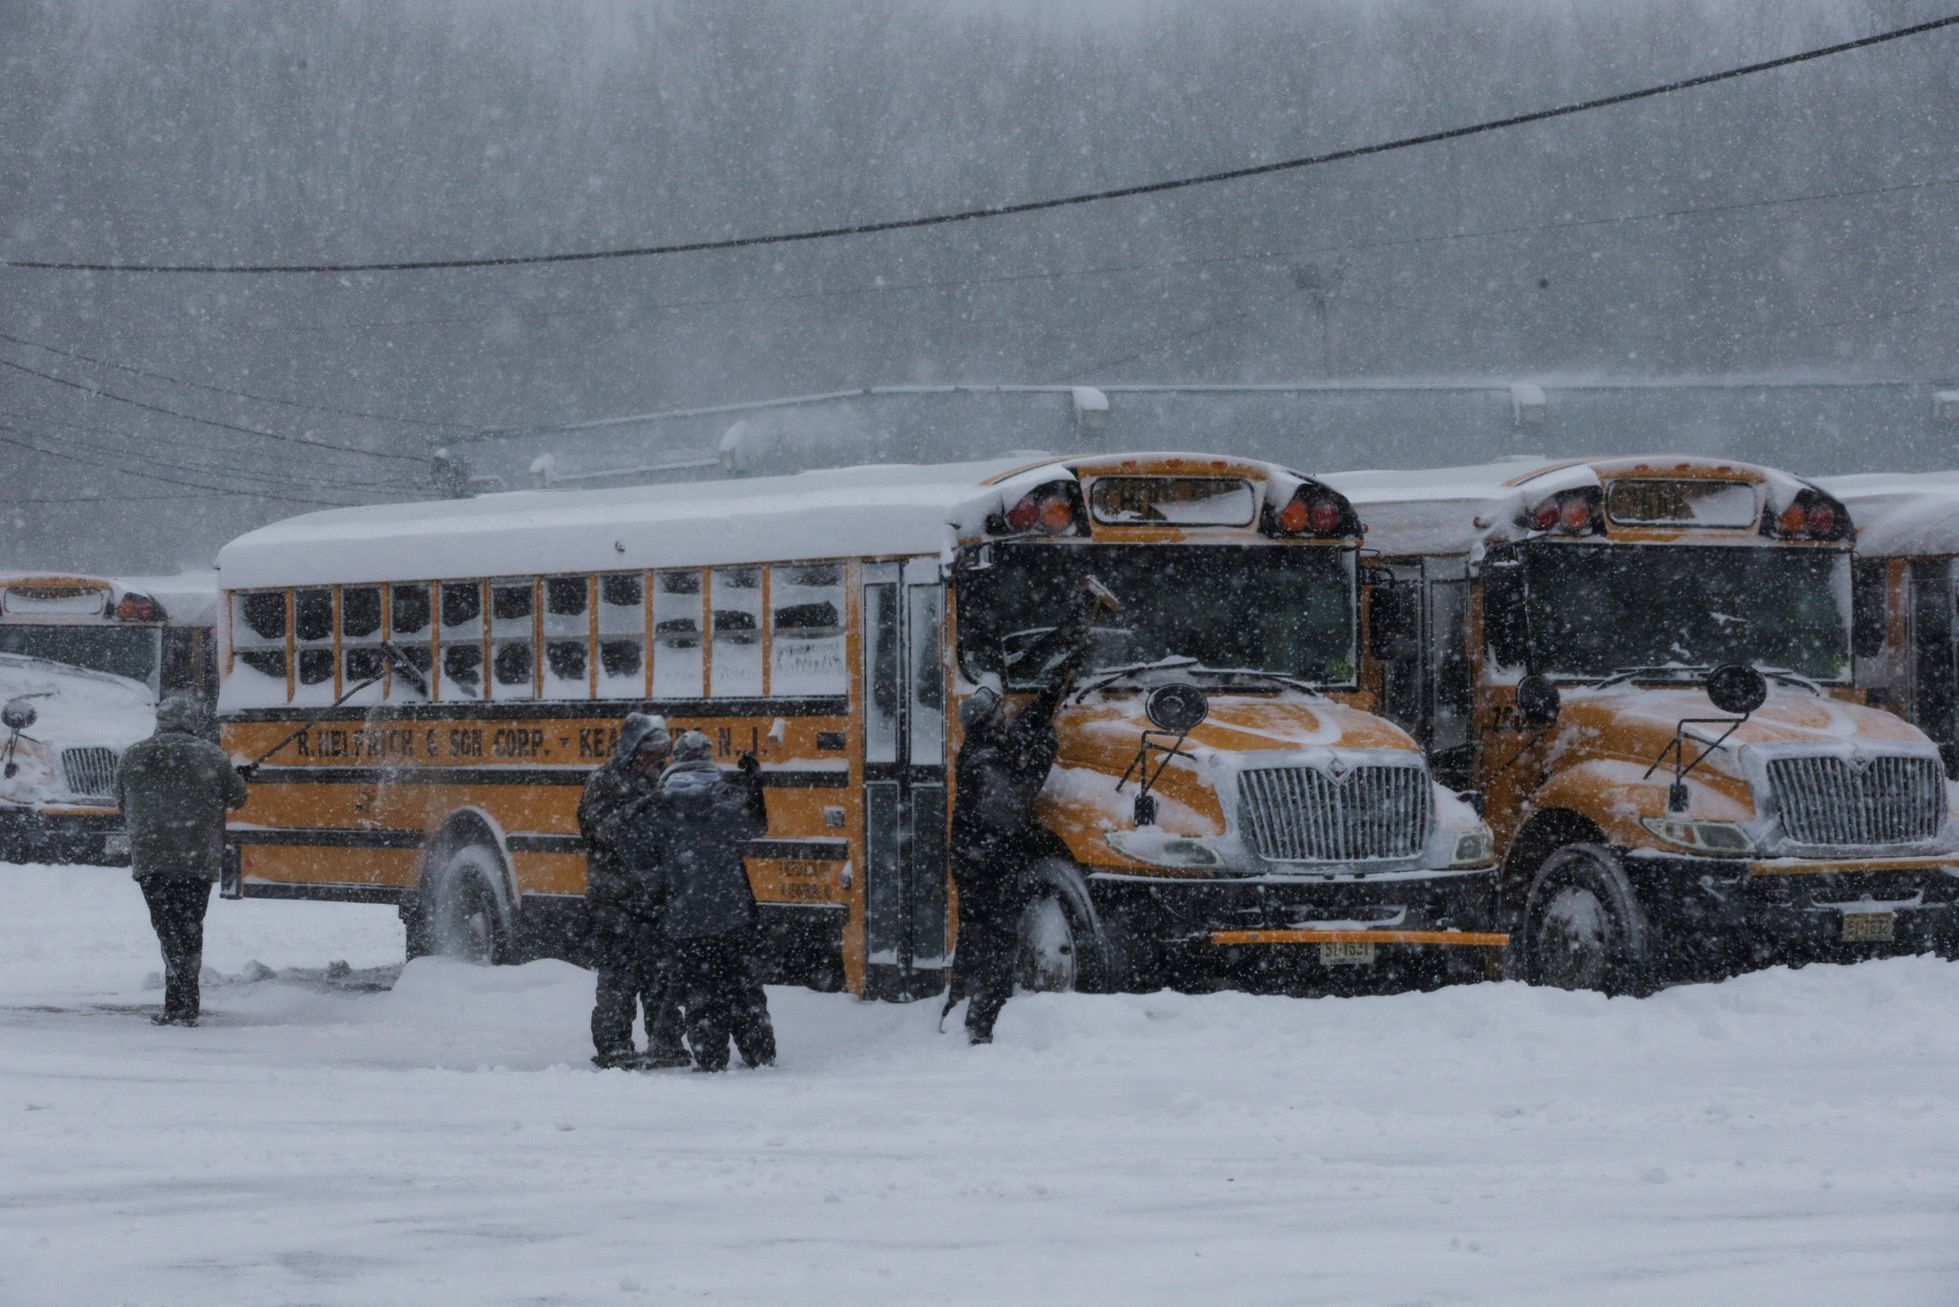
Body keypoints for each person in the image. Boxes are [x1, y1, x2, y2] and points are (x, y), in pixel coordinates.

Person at [624, 730, 773, 1072]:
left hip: (683, 918)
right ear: (707, 756)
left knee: (700, 991)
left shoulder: (659, 803)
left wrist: (661, 888)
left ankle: (709, 1054)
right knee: (743, 986)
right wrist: (754, 786)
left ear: (675, 758)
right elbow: (756, 827)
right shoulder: (725, 796)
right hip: (731, 913)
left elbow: (635, 848)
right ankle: (758, 1052)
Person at [945, 659, 1076, 1045]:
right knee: (994, 940)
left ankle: (959, 1009)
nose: (1006, 718)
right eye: (999, 714)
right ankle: (983, 1022)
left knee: (975, 937)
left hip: (976, 857)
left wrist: (1054, 688)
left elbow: (1024, 729)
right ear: (989, 723)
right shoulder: (986, 761)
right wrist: (1045, 754)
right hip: (986, 863)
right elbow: (1015, 796)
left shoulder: (985, 747)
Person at [113, 695, 249, 1026]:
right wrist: (238, 776)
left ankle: (176, 1001)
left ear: (160, 719)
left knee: (166, 928)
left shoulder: (133, 755)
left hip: (151, 858)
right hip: (196, 858)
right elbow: (238, 797)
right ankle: (186, 1004)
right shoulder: (211, 756)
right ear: (192, 720)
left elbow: (120, 801)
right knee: (191, 929)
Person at [578, 712, 689, 1070]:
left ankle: (666, 1042)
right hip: (616, 898)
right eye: (650, 753)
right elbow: (601, 829)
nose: (656, 761)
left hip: (657, 898)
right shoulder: (605, 780)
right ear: (632, 750)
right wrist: (645, 807)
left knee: (663, 978)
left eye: (661, 754)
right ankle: (614, 1046)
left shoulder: (664, 779)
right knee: (618, 978)